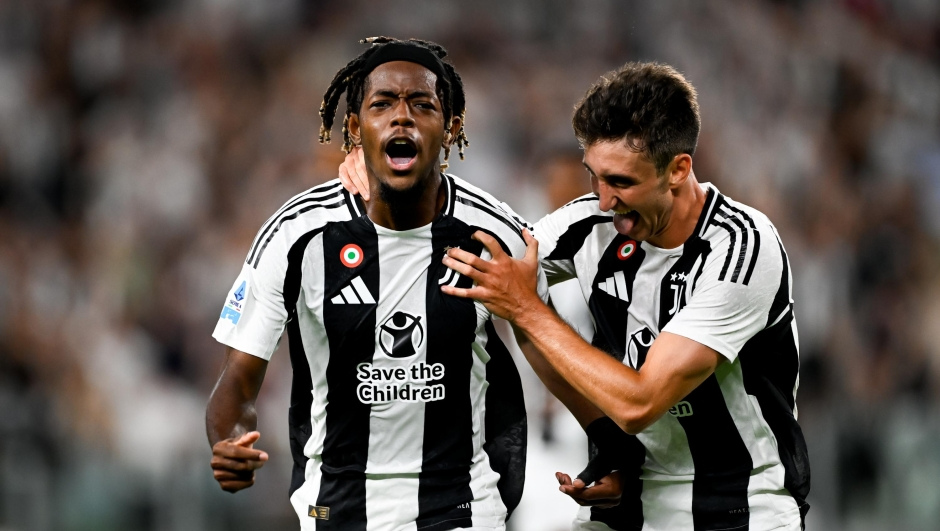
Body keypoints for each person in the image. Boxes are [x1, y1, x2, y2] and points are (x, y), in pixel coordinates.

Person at [435, 62, 811, 530]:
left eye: (621, 182)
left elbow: (640, 403)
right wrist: (380, 191)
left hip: (738, 506)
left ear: (678, 169)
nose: (603, 199)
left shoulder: (741, 249)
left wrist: (525, 306)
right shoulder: (590, 224)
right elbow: (481, 259)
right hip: (628, 500)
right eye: (594, 175)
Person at [206, 36, 545, 531]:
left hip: (461, 507)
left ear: (451, 129)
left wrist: (605, 442)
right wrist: (229, 442)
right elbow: (236, 382)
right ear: (354, 128)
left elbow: (557, 343)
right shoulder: (297, 235)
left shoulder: (495, 233)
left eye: (421, 104)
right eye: (382, 103)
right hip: (335, 509)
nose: (401, 117)